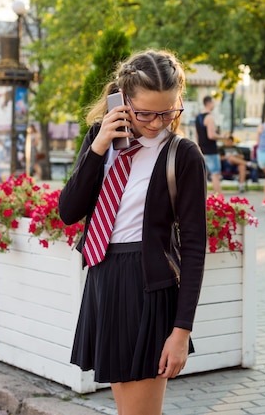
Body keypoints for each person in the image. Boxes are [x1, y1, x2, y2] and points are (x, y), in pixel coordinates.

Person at [57, 49, 207, 415]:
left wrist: (181, 331)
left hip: (149, 289)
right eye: (145, 113)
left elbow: (195, 246)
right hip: (104, 280)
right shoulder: (101, 140)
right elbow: (69, 212)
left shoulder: (182, 155)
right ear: (122, 102)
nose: (156, 123)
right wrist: (98, 147)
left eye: (168, 112)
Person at [196, 95, 224, 194]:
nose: (214, 104)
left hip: (202, 149)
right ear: (208, 103)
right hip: (211, 150)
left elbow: (197, 135)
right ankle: (220, 202)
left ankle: (203, 202)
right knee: (215, 175)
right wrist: (222, 137)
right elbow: (211, 135)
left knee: (203, 177)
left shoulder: (198, 117)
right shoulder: (210, 117)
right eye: (213, 102)